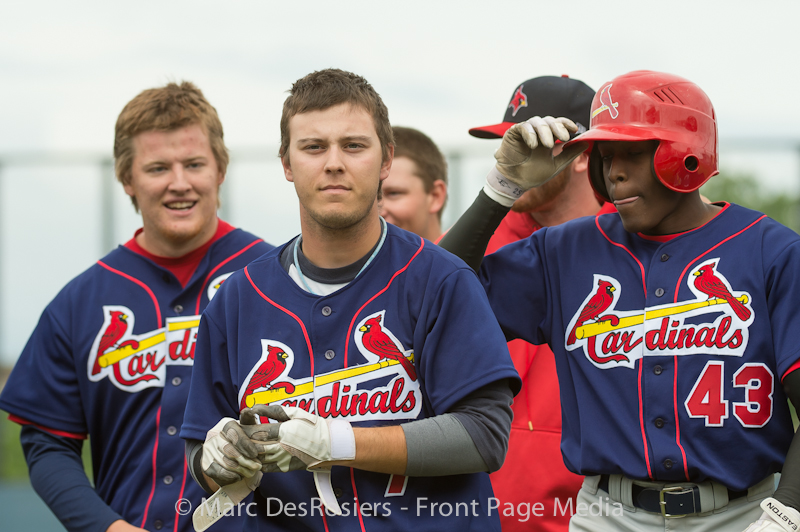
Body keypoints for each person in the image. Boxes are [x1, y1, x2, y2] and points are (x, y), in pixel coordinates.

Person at [440, 70, 800, 531]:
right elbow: (436, 300)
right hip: (608, 515)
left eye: (631, 153)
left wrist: (787, 510)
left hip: (745, 512)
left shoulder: (770, 250)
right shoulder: (564, 251)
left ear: (687, 153)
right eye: (605, 156)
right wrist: (501, 187)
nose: (614, 172)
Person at [180, 68, 521, 532]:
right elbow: (199, 455)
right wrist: (217, 458)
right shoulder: (237, 298)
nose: (334, 163)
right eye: (313, 147)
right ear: (286, 163)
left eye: (354, 145)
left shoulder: (441, 278)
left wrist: (337, 441)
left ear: (385, 160)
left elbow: (483, 436)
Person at [0, 82, 273, 532]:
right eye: (158, 167)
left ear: (220, 169)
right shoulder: (80, 302)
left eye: (194, 164)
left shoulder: (275, 280)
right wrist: (106, 528)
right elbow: (48, 445)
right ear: (127, 178)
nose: (179, 182)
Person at [468, 75, 617, 532]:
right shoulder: (482, 242)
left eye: (535, 143)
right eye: (510, 142)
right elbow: (421, 301)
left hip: (606, 510)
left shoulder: (632, 242)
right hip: (486, 505)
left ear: (580, 155)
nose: (513, 155)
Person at [379, 126, 448, 241]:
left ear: (435, 196)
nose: (378, 211)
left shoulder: (475, 258)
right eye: (370, 197)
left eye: (393, 193)